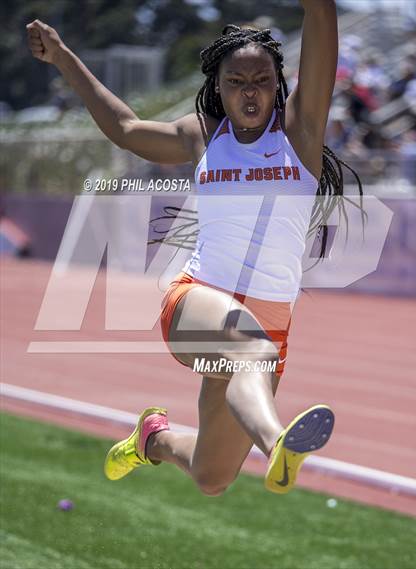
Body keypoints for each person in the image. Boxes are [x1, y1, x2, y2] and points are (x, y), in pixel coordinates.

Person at [27, 0, 363, 497]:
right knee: (253, 351)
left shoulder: (300, 130)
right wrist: (63, 59)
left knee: (211, 475)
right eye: (236, 81)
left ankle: (153, 440)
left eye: (261, 80)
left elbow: (321, 12)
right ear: (217, 86)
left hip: (269, 320)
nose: (250, 92)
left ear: (279, 83)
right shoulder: (203, 135)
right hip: (196, 301)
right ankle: (279, 445)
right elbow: (125, 130)